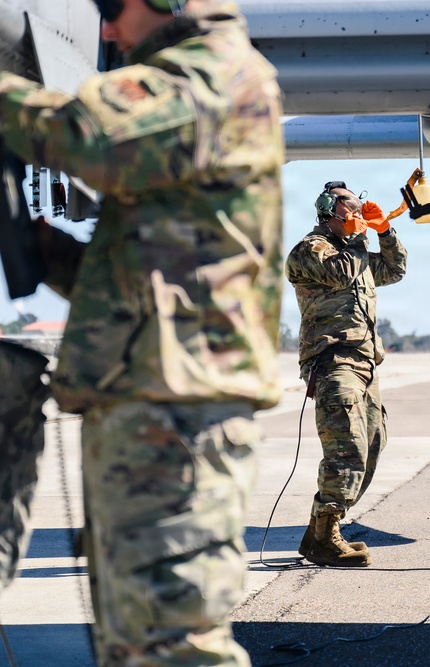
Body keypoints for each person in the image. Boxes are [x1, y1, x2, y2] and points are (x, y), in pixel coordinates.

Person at [0, 1, 284, 664]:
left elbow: (87, 135)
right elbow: (161, 270)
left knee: (175, 648)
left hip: (177, 422)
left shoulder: (213, 74)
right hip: (153, 414)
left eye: (110, 6)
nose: (103, 29)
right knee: (138, 645)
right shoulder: (192, 88)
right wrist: (54, 251)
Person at [285, 180, 408, 567]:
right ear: (329, 212)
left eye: (359, 208)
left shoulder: (352, 251)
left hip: (365, 363)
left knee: (371, 444)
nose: (357, 215)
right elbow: (340, 275)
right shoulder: (312, 249)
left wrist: (385, 231)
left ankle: (319, 534)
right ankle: (326, 535)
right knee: (346, 448)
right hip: (333, 361)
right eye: (350, 209)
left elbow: (394, 269)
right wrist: (358, 240)